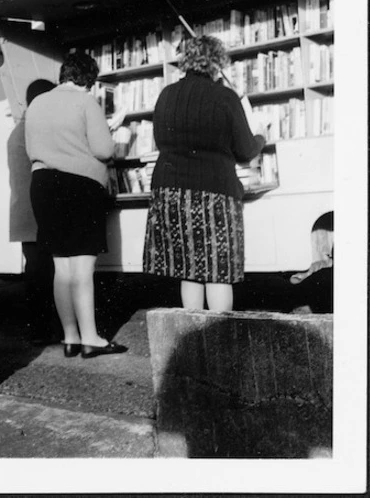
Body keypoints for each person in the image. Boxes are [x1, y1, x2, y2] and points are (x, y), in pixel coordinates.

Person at [143, 35, 266, 312]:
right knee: (218, 271)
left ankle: (193, 342)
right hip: (214, 194)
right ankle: (219, 342)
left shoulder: (166, 95)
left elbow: (161, 141)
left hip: (171, 193)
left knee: (190, 268)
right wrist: (261, 136)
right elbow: (246, 150)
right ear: (217, 63)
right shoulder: (225, 97)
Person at [25, 50, 128, 359]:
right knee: (83, 268)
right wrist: (117, 132)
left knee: (62, 267)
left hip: (42, 185)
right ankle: (91, 339)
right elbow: (103, 149)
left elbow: (34, 147)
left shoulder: (37, 103)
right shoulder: (86, 102)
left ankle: (69, 337)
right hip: (80, 188)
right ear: (89, 80)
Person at [7, 78, 58, 346]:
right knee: (42, 276)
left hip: (26, 215)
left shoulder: (21, 129)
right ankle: (42, 331)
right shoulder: (34, 131)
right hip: (36, 215)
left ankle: (41, 329)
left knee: (37, 274)